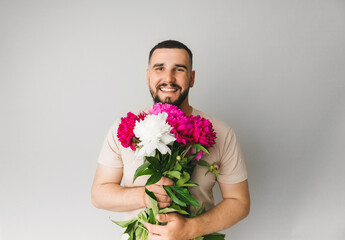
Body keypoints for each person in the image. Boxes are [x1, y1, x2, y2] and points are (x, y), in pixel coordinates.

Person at [91, 40, 250, 240]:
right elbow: (99, 194)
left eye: (179, 69)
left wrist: (191, 228)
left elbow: (240, 202)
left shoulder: (221, 133)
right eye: (160, 68)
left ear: (191, 78)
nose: (169, 78)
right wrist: (144, 196)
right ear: (148, 76)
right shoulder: (125, 128)